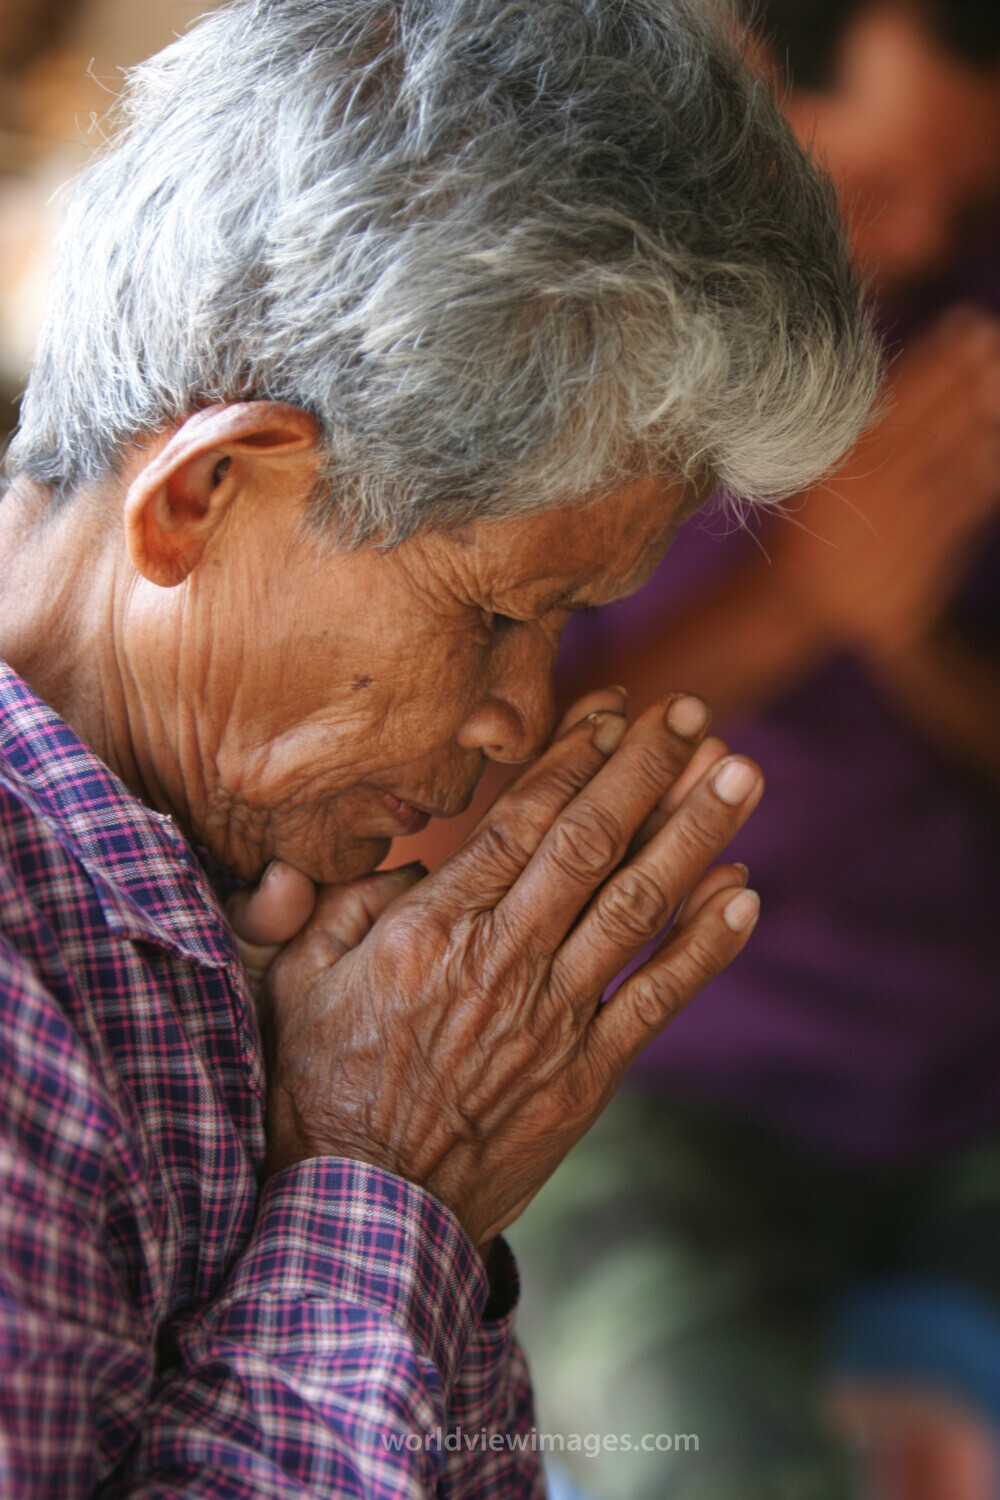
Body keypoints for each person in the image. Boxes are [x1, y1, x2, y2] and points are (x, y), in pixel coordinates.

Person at [0, 1, 878, 1495]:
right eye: (495, 617)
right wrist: (377, 1186)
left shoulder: (220, 915)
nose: (516, 720)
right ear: (204, 495)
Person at [506, 3, 1000, 1498]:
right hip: (647, 1079)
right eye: (877, 186)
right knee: (687, 1439)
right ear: (748, 81)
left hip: (964, 1066)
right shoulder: (547, 336)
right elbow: (458, 820)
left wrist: (902, 631)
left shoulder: (961, 320)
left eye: (963, 202)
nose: (918, 244)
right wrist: (801, 608)